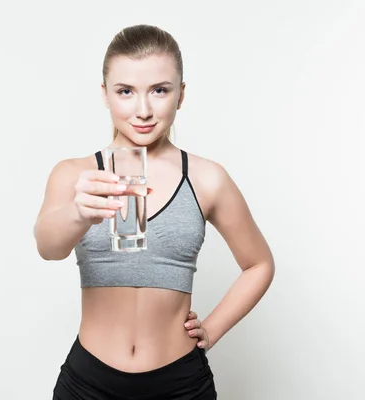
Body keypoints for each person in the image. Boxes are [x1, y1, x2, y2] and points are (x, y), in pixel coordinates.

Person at [34, 24, 275, 400]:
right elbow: (47, 246)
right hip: (89, 384)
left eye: (159, 90)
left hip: (180, 384)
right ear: (105, 95)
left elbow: (259, 264)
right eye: (125, 91)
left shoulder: (206, 178)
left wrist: (212, 328)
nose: (143, 110)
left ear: (180, 95)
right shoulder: (75, 173)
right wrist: (79, 213)